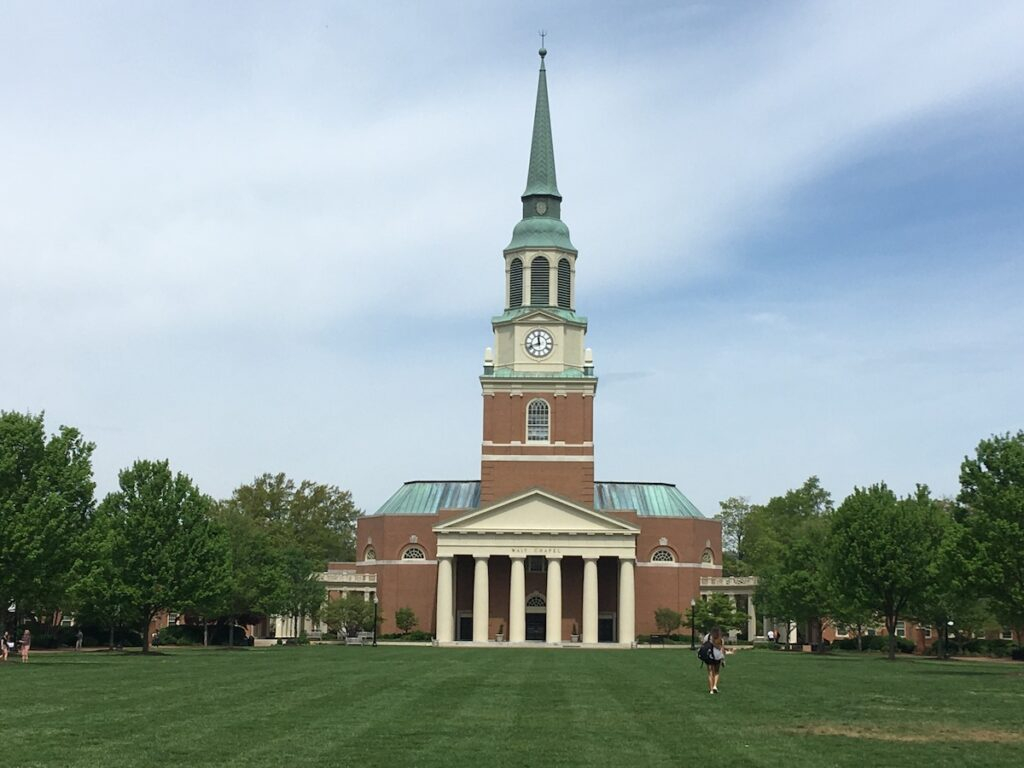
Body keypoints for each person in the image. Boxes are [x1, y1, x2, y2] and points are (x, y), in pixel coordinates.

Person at [705, 626, 725, 694]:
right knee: (716, 672)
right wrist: (723, 659)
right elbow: (722, 650)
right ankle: (715, 686)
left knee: (710, 673)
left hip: (709, 656)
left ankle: (711, 690)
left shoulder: (707, 637)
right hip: (717, 657)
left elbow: (703, 645)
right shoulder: (721, 639)